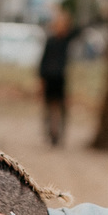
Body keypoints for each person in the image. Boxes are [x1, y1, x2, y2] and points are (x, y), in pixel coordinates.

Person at [37, 9, 84, 146]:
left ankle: (59, 136)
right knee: (48, 108)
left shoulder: (65, 40)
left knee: (61, 108)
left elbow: (79, 30)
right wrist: (41, 79)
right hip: (49, 78)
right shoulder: (50, 41)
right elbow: (43, 61)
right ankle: (49, 134)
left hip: (60, 78)